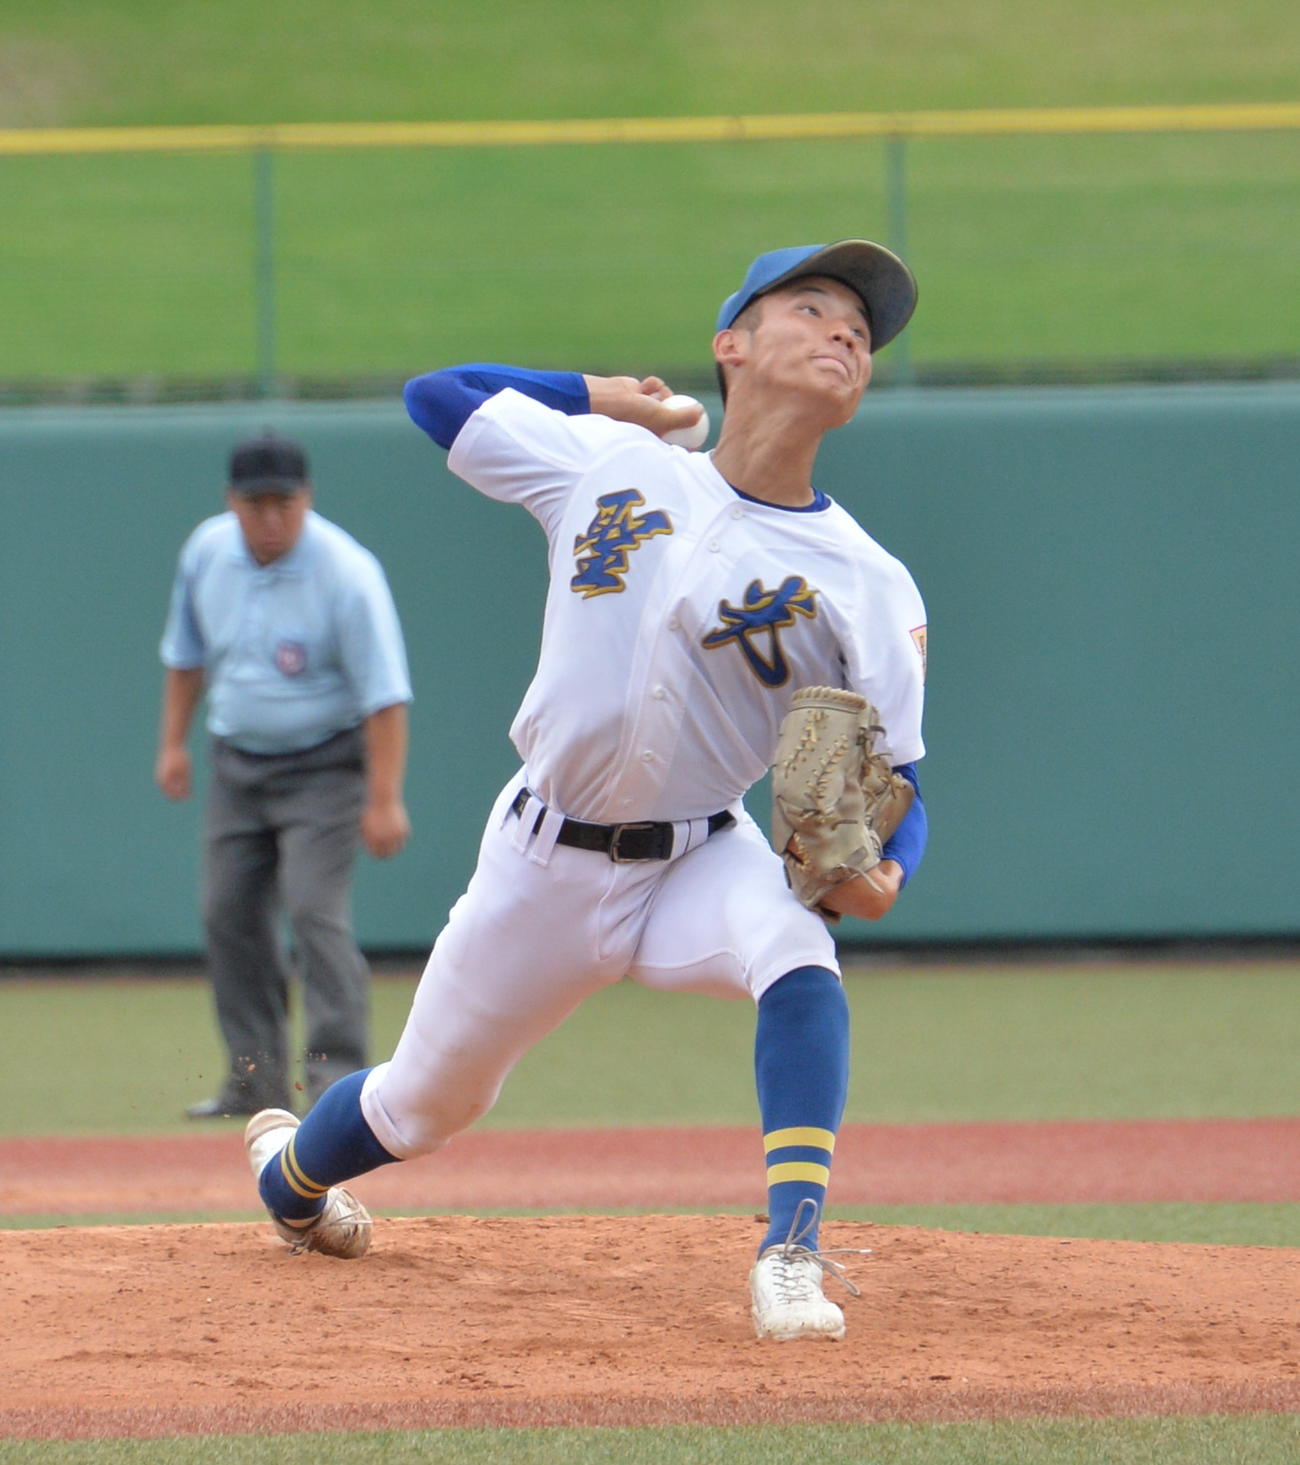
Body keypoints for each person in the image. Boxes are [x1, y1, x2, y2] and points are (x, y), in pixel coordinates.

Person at [242, 241, 930, 1343]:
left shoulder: (865, 579)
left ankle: (791, 1251)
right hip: (540, 860)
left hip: (697, 856)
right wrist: (608, 398)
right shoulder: (609, 462)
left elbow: (899, 777)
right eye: (812, 306)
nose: (846, 331)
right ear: (732, 344)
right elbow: (438, 397)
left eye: (863, 326)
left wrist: (891, 867)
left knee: (800, 959)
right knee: (423, 1105)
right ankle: (289, 1181)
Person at [156, 431, 413, 1120]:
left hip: (324, 767)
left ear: (307, 499)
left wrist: (383, 797)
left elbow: (384, 697)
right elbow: (186, 656)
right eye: (255, 502)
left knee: (313, 911)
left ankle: (338, 1083)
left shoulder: (345, 572)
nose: (271, 516)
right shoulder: (207, 552)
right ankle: (255, 1079)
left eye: (284, 501)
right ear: (231, 502)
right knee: (228, 913)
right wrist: (172, 744)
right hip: (237, 763)